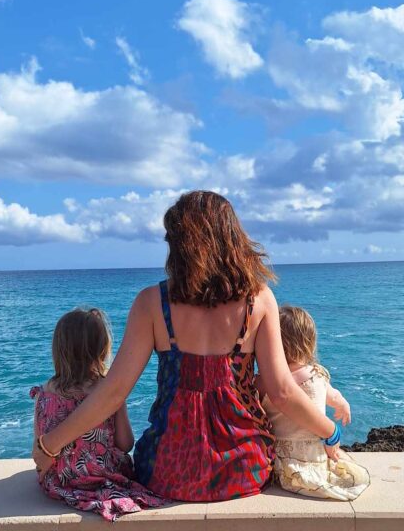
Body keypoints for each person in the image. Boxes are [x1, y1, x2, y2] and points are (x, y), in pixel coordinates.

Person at [33, 190, 345, 503]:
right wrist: (330, 432)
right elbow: (282, 392)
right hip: (244, 468)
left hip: (166, 471)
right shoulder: (259, 299)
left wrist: (50, 445)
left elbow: (114, 392)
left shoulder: (151, 303)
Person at [31, 308, 168, 521]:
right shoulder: (107, 392)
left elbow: (41, 448)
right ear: (102, 349)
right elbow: (125, 443)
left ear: (58, 350)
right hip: (105, 477)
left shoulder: (44, 393)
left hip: (62, 481)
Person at [260, 305, 369, 500]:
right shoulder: (316, 374)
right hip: (313, 461)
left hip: (279, 466)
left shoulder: (265, 381)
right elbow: (335, 398)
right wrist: (343, 406)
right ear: (309, 342)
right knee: (353, 471)